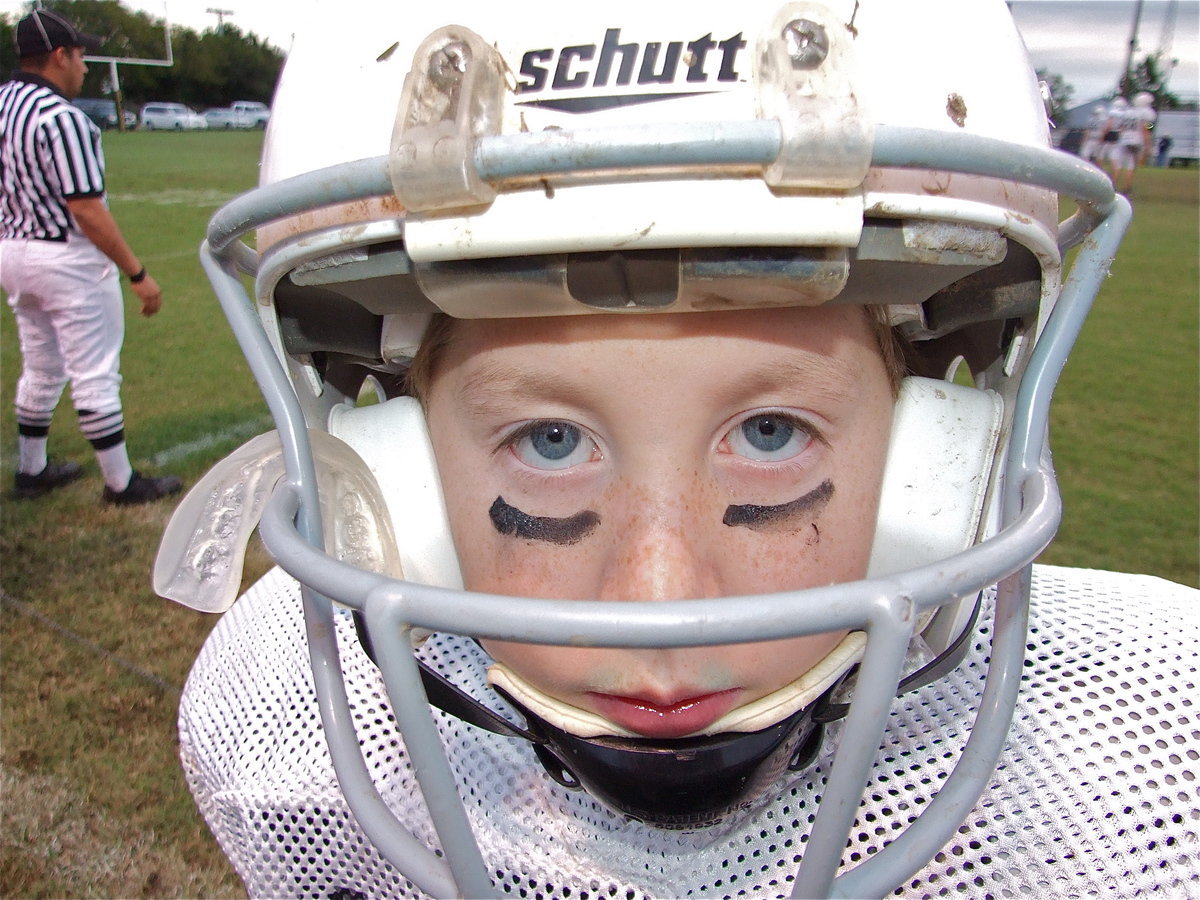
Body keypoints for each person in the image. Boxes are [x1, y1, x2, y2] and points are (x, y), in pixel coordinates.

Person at [156, 2, 1200, 897]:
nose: (661, 603)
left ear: (943, 465)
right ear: (396, 481)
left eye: (770, 432)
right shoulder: (276, 744)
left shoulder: (1144, 787)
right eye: (550, 440)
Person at [1, 9, 181, 504]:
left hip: (12, 250)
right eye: (80, 56)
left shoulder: (3, 105)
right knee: (94, 368)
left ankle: (31, 469)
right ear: (59, 56)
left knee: (40, 363)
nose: (84, 67)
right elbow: (86, 208)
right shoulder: (62, 118)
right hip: (64, 257)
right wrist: (137, 272)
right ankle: (120, 482)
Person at [1102, 93, 1157, 195]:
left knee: (1118, 165)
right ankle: (1126, 188)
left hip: (1123, 140)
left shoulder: (1127, 112)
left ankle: (1111, 187)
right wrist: (1148, 146)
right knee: (1131, 166)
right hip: (1137, 140)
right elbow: (1146, 129)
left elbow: (1120, 127)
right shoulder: (1144, 113)